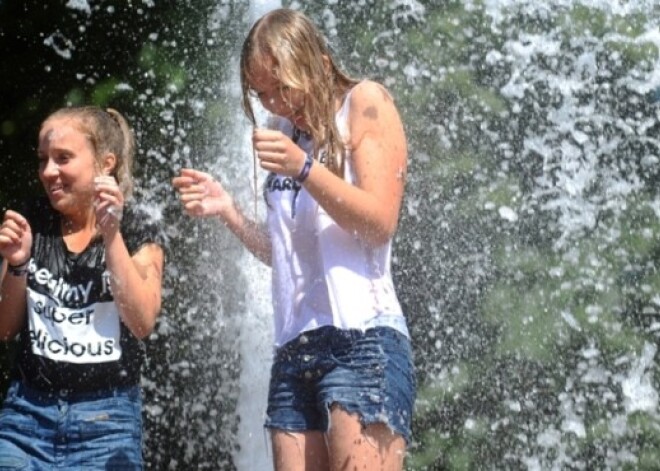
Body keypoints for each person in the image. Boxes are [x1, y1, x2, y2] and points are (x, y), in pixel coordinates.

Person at [173, 7, 414, 471]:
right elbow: (286, 254)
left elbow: (379, 222)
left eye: (283, 87)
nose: (276, 105)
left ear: (319, 63)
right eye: (262, 93)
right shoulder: (286, 134)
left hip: (362, 341)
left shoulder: (365, 104)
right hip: (294, 348)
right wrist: (229, 211)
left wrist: (304, 169)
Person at [0, 106, 164, 470]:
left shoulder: (137, 229)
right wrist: (18, 264)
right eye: (43, 159)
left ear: (105, 164)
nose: (48, 172)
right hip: (26, 418)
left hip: (107, 423)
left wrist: (111, 236)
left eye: (63, 158)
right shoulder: (32, 219)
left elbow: (142, 322)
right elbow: (4, 328)